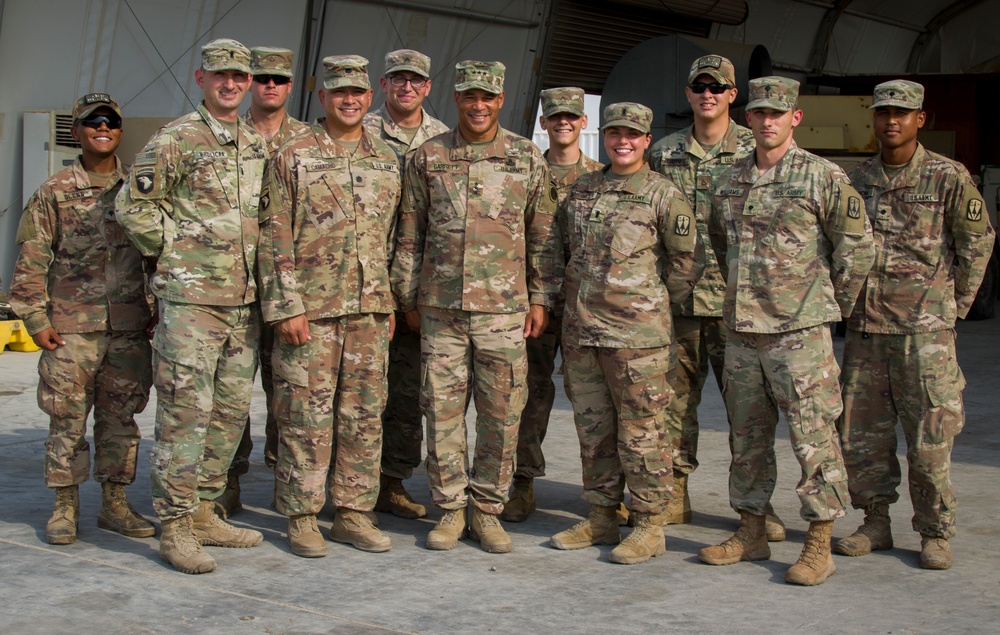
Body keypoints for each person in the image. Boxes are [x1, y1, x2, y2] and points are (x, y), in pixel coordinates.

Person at [703, 76, 875, 586]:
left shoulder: (823, 177)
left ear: (794, 117)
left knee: (814, 437)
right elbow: (719, 241)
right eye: (759, 113)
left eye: (778, 113)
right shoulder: (729, 180)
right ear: (748, 118)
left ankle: (819, 541)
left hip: (800, 334)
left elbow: (858, 249)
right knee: (747, 437)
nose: (768, 121)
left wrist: (825, 306)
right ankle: (752, 529)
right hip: (741, 332)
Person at [390, 60, 560, 553]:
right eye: (469, 96)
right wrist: (408, 298)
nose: (478, 105)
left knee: (501, 413)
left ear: (500, 99)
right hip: (440, 311)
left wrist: (540, 296)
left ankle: (486, 510)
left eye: (487, 96)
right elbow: (409, 232)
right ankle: (449, 509)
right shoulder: (428, 156)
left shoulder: (526, 158)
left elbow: (543, 234)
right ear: (456, 98)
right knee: (441, 413)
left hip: (504, 313)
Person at [115, 38, 267, 575]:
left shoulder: (254, 143)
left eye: (240, 76)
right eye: (220, 74)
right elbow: (133, 205)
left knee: (228, 413)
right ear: (200, 78)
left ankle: (204, 510)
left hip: (244, 303)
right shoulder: (176, 138)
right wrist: (175, 253)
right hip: (192, 302)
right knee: (185, 413)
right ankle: (174, 526)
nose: (231, 83)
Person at [834, 80, 994, 570]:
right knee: (863, 439)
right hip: (866, 334)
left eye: (902, 113)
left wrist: (952, 307)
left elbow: (978, 242)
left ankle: (934, 531)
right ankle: (875, 523)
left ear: (920, 119)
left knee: (929, 439)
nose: (891, 121)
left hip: (924, 335)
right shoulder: (857, 181)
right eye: (883, 113)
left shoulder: (948, 177)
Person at [258, 54, 401, 558]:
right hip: (311, 312)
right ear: (322, 98)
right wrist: (285, 307)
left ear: (370, 97)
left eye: (358, 92)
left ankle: (353, 513)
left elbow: (394, 238)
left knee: (363, 416)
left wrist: (389, 306)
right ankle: (301, 515)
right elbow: (272, 236)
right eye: (339, 91)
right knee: (303, 415)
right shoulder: (293, 154)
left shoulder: (386, 159)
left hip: (369, 311)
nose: (349, 99)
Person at [548, 102, 702, 564]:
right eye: (614, 133)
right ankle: (600, 514)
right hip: (583, 334)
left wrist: (647, 305)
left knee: (643, 433)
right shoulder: (582, 189)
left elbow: (686, 263)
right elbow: (560, 248)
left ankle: (649, 524)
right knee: (593, 430)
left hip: (638, 341)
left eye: (632, 134)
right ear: (603, 135)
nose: (623, 141)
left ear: (646, 139)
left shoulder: (662, 194)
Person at [9, 93, 155, 545]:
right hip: (70, 329)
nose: (103, 128)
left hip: (129, 328)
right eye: (92, 122)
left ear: (120, 129)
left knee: (121, 419)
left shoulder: (139, 188)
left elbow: (157, 256)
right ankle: (65, 505)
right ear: (77, 132)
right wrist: (34, 320)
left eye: (110, 121)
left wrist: (157, 311)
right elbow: (31, 259)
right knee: (66, 419)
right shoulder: (54, 192)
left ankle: (114, 503)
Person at [648, 55, 784, 538]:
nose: (708, 94)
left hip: (739, 306)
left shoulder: (760, 148)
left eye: (718, 87)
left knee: (749, 412)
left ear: (733, 96)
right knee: (672, 407)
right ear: (688, 94)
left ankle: (755, 507)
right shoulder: (661, 153)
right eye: (699, 86)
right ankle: (672, 496)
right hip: (678, 304)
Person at [502, 86, 603, 523]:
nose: (563, 123)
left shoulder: (604, 175)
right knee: (529, 394)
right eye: (555, 118)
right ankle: (521, 482)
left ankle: (605, 490)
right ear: (543, 123)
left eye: (571, 117)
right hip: (536, 305)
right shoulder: (526, 172)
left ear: (583, 123)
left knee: (595, 399)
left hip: (589, 307)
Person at [217, 45, 310, 518]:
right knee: (231, 393)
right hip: (233, 288)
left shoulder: (309, 142)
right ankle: (228, 481)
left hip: (292, 290)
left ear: (290, 86)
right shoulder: (224, 135)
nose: (270, 86)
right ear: (252, 83)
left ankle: (285, 482)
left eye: (279, 79)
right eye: (263, 79)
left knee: (289, 393)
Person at [362, 48, 449, 520]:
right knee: (358, 391)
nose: (406, 87)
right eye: (397, 79)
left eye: (415, 80)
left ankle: (392, 481)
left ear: (428, 87)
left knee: (407, 390)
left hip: (421, 283)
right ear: (384, 84)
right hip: (365, 278)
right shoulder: (361, 131)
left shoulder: (444, 139)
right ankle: (349, 482)